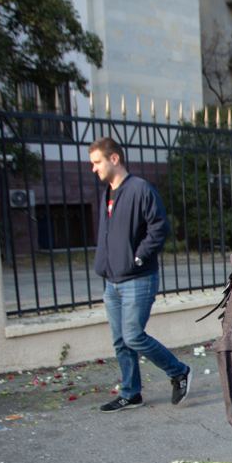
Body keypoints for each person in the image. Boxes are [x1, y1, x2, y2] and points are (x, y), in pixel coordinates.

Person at [89, 137, 190, 412]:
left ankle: (178, 371)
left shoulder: (140, 189)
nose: (94, 168)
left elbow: (159, 227)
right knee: (121, 341)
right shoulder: (107, 193)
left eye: (97, 162)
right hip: (112, 281)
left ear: (114, 159)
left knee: (133, 335)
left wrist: (138, 256)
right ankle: (131, 393)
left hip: (138, 278)